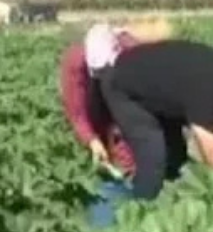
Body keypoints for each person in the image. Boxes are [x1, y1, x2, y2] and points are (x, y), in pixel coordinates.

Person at [100, 39, 213, 200]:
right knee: (153, 154)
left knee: (176, 155)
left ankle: (169, 204)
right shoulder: (206, 93)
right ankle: (138, 211)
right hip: (124, 85)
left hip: (165, 87)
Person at [59, 17, 174, 177]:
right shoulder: (76, 62)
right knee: (97, 128)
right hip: (93, 94)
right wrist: (92, 140)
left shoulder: (130, 52)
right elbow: (77, 111)